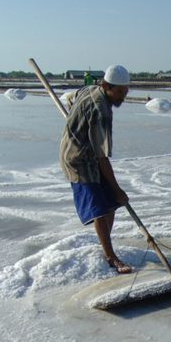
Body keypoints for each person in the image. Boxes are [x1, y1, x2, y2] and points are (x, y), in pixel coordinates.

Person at [60, 64, 133, 274]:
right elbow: (102, 157)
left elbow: (71, 98)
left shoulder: (89, 89)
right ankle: (110, 257)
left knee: (110, 203)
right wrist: (118, 189)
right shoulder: (101, 112)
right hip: (77, 158)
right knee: (99, 208)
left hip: (90, 153)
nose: (123, 97)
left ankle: (105, 245)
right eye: (120, 92)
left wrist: (76, 119)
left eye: (126, 91)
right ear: (107, 86)